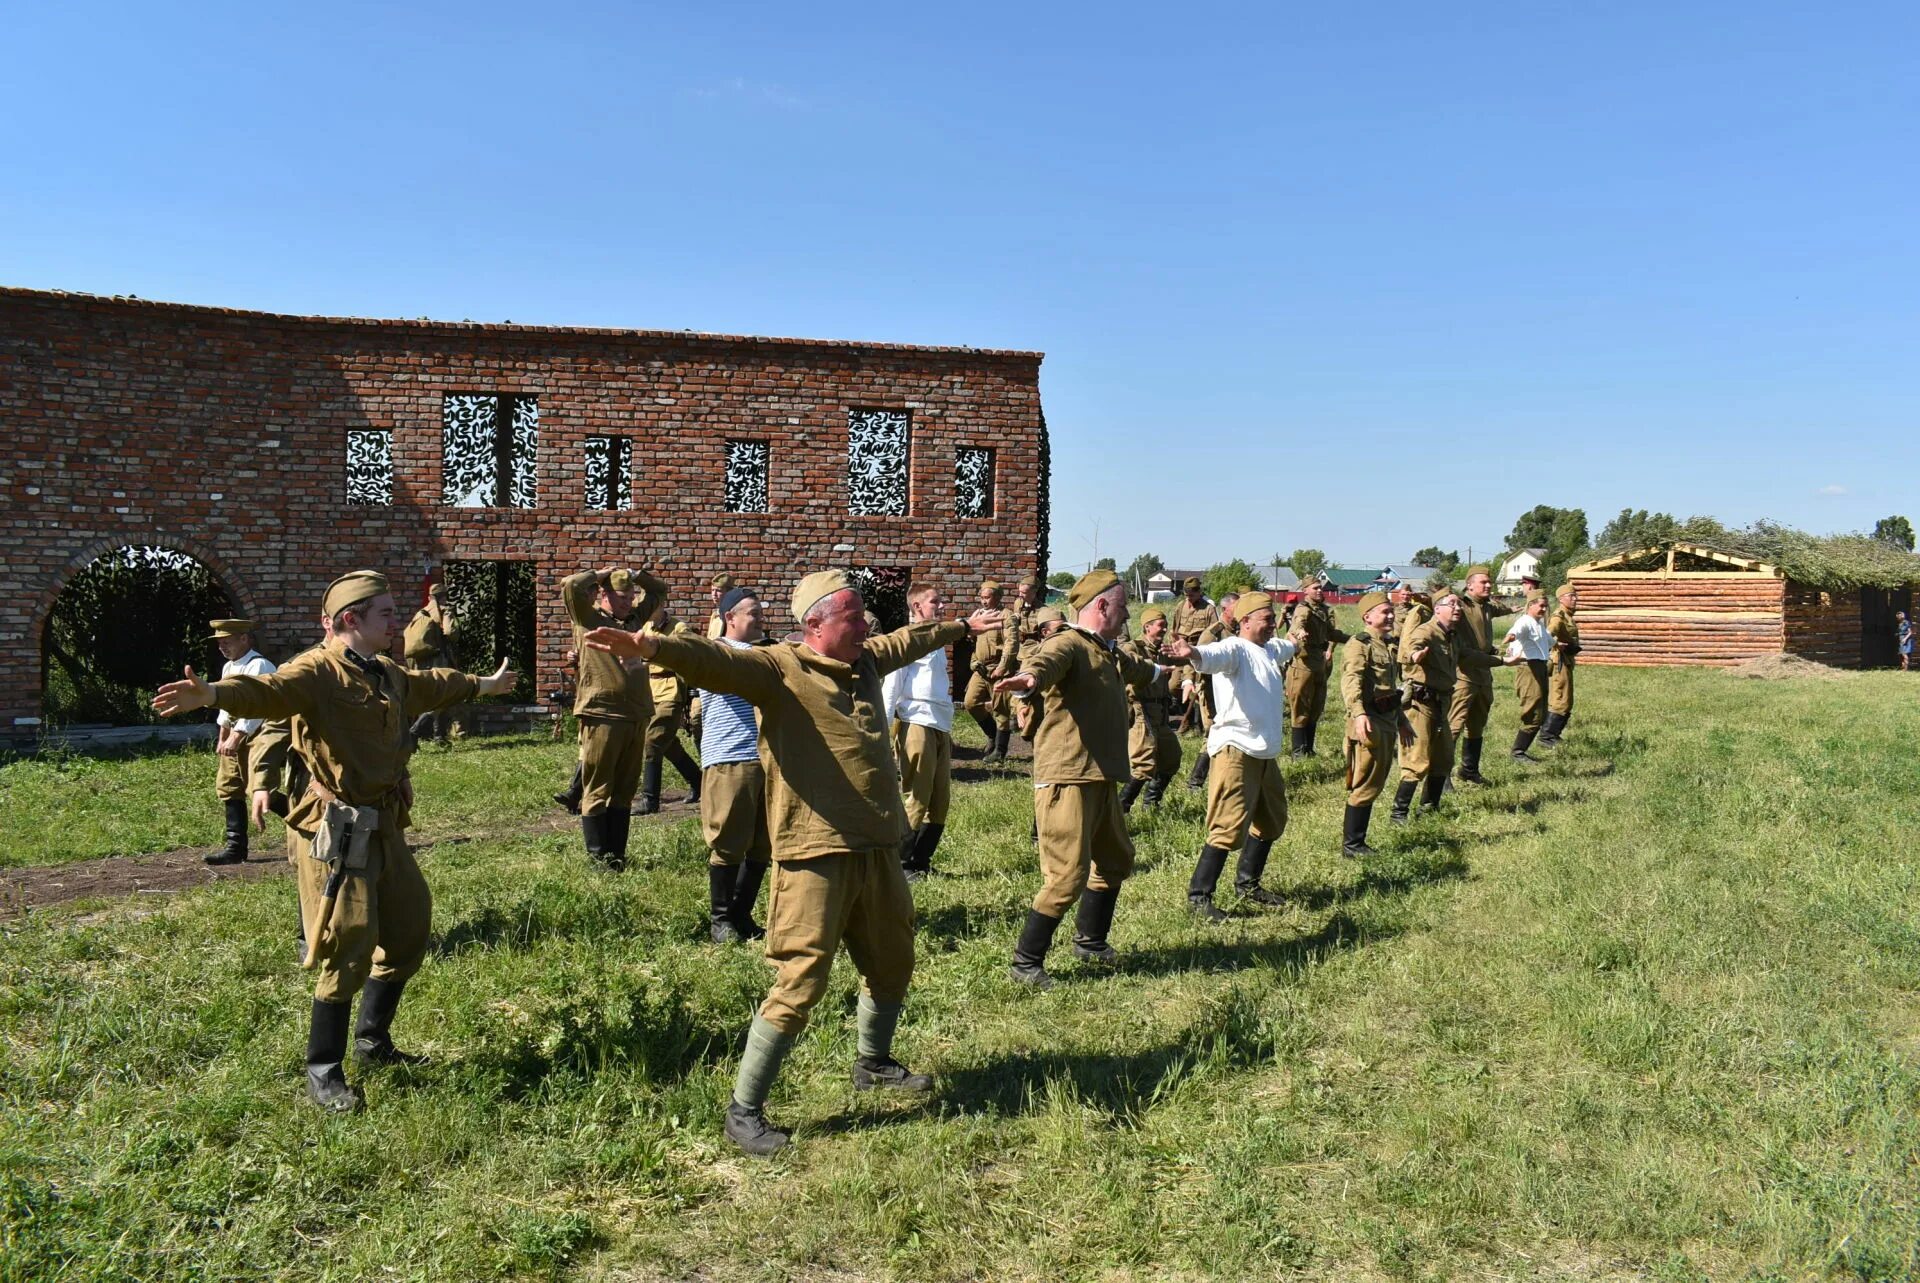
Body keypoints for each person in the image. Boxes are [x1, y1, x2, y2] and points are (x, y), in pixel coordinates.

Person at [584, 570, 1001, 1156]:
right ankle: (744, 1109)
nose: (865, 627)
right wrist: (653, 646)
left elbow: (908, 640)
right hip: (814, 852)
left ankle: (872, 1062)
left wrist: (961, 626)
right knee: (800, 979)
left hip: (877, 847)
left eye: (862, 618)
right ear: (815, 625)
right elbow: (714, 662)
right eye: (853, 618)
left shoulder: (864, 662)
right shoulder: (779, 668)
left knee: (892, 961)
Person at [153, 571, 515, 1112]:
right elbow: (268, 693)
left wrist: (484, 684)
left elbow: (433, 686)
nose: (397, 622)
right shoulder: (318, 671)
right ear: (352, 620)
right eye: (387, 613)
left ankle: (373, 1042)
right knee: (347, 942)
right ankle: (323, 1069)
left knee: (410, 928)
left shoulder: (386, 671)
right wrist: (212, 694)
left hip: (386, 822)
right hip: (336, 828)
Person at [993, 570, 1166, 988]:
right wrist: (1027, 680)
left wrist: (1179, 662)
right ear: (1102, 606)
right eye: (1123, 606)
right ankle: (1025, 964)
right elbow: (1044, 665)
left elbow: (1142, 669)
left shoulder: (1108, 651)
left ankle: (1090, 943)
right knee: (1066, 876)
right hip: (1067, 777)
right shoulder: (1067, 643)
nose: (1127, 615)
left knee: (1115, 861)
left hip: (1101, 777)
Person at [1158, 593, 1305, 918]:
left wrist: (1295, 637)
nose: (1272, 624)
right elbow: (1211, 656)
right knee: (1226, 825)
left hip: (1264, 753)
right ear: (1246, 621)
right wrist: (1191, 652)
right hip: (1235, 750)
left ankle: (1248, 884)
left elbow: (1287, 645)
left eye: (1273, 619)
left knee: (1272, 820)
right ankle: (1200, 897)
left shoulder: (1269, 649)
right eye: (1267, 619)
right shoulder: (1235, 649)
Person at [562, 565, 667, 869]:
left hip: (637, 712)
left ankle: (616, 858)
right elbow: (570, 585)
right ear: (604, 595)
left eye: (632, 595)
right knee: (597, 788)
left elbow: (659, 592)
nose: (628, 601)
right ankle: (598, 860)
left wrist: (638, 577)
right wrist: (599, 572)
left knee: (624, 790)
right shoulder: (588, 618)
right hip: (602, 712)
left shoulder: (635, 619)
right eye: (622, 596)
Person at [696, 588, 771, 943]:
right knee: (728, 841)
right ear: (731, 618)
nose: (760, 618)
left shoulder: (762, 652)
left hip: (765, 759)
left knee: (762, 844)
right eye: (753, 613)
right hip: (729, 757)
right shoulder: (718, 652)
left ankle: (741, 915)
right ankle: (720, 920)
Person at [883, 582, 956, 880]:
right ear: (917, 607)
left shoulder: (935, 640)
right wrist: (881, 731)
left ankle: (920, 862)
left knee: (940, 800)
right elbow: (891, 687)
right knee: (917, 797)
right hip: (915, 721)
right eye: (935, 602)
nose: (941, 606)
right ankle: (898, 866)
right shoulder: (906, 640)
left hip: (940, 722)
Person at [1340, 590, 1410, 858]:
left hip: (1387, 720)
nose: (1391, 615)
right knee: (1366, 783)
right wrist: (1358, 713)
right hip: (1369, 723)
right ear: (1367, 617)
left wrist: (1402, 720)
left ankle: (1357, 842)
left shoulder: (1387, 646)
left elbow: (1388, 690)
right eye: (1385, 612)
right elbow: (1351, 681)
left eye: (1391, 611)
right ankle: (1352, 845)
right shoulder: (1360, 645)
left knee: (1375, 782)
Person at [206, 619, 276, 866]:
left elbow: (257, 708)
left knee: (260, 787)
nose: (222, 647)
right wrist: (223, 735)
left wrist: (237, 736)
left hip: (256, 736)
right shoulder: (229, 667)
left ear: (244, 639)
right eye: (219, 643)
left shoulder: (259, 666)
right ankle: (235, 848)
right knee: (229, 787)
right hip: (234, 738)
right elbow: (226, 704)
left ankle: (309, 824)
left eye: (227, 642)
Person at [1390, 588, 1462, 823]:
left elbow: (1468, 656)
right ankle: (1398, 814)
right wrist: (1413, 655)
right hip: (1421, 703)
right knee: (1416, 760)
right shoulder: (1426, 630)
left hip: (1442, 704)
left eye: (1459, 604)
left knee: (1443, 758)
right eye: (1452, 604)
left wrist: (1501, 660)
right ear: (1437, 608)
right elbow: (1414, 644)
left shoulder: (1451, 635)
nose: (1458, 608)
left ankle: (1428, 810)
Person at [637, 605, 703, 814]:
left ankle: (650, 800)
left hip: (670, 691)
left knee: (653, 742)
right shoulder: (645, 627)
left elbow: (690, 656)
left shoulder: (679, 628)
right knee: (669, 745)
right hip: (649, 692)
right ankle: (699, 781)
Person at [1119, 604, 1183, 812]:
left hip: (1161, 713)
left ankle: (1151, 802)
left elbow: (1185, 663)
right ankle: (1121, 807)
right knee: (1143, 763)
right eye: (1160, 626)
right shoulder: (1133, 648)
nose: (1164, 630)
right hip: (1141, 711)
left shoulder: (1162, 651)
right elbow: (1124, 666)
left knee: (1171, 758)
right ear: (1147, 627)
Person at [1283, 578, 1349, 758]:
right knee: (1300, 708)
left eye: (1321, 588)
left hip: (1319, 663)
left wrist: (1353, 639)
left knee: (1315, 707)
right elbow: (1298, 624)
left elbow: (1331, 633)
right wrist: (1299, 632)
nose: (1320, 590)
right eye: (1316, 588)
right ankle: (1298, 752)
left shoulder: (1323, 610)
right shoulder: (1303, 608)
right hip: (1303, 665)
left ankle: (1309, 749)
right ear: (1305, 590)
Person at [1449, 566, 1501, 785]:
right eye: (1483, 583)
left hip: (1483, 673)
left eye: (1490, 582)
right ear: (1469, 585)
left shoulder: (1486, 606)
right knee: (1454, 725)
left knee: (1477, 724)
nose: (1488, 585)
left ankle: (1469, 770)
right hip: (1464, 674)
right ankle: (1441, 776)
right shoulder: (1460, 605)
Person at [1182, 591, 1239, 790]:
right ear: (1225, 609)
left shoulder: (1238, 629)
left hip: (1232, 689)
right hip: (1212, 690)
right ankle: (1195, 782)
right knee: (1214, 734)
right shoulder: (1213, 633)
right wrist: (1188, 680)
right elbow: (1195, 658)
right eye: (1236, 608)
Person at [401, 584, 458, 745]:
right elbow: (450, 633)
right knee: (442, 696)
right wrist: (449, 615)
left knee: (435, 697)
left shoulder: (421, 613)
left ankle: (439, 736)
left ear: (429, 597)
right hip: (438, 660)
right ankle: (415, 731)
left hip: (421, 662)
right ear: (443, 596)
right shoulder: (443, 611)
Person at [1503, 591, 1554, 762]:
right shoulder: (1525, 621)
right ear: (1530, 605)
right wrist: (1511, 637)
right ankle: (1518, 752)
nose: (1543, 609)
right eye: (1540, 605)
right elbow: (1517, 631)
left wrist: (1560, 645)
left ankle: (1521, 751)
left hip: (1540, 667)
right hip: (1528, 668)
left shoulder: (1538, 624)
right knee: (1533, 711)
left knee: (1541, 711)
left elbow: (1549, 641)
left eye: (1545, 606)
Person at [1538, 586, 1581, 745]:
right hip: (1559, 662)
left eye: (1576, 596)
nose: (1575, 599)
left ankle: (1554, 735)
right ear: (1561, 598)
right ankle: (1546, 736)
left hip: (1567, 660)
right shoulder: (1559, 616)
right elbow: (1549, 633)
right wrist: (1555, 643)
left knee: (1567, 699)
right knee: (1560, 699)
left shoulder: (1568, 615)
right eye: (1571, 596)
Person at [705, 573, 737, 639]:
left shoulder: (734, 616)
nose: (714, 594)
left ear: (729, 593)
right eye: (712, 590)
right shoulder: (715, 615)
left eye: (718, 590)